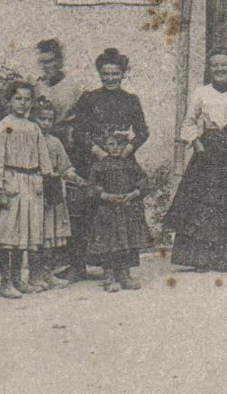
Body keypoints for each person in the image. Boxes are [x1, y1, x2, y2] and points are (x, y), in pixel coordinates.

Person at [64, 49, 149, 279]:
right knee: (87, 212)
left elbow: (142, 132)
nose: (110, 78)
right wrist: (97, 151)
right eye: (105, 73)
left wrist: (126, 151)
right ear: (99, 74)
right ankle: (78, 266)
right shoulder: (89, 98)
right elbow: (79, 131)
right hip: (95, 162)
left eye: (115, 73)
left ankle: (122, 268)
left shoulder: (131, 100)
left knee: (123, 213)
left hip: (122, 164)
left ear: (123, 74)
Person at [167, 49, 227, 274]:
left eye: (224, 65)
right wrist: (197, 142)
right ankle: (201, 258)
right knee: (204, 203)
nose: (219, 69)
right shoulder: (201, 92)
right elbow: (188, 122)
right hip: (209, 150)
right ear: (209, 67)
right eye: (214, 65)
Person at [0, 80, 54, 298]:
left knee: (24, 234)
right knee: (8, 235)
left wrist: (45, 179)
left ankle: (17, 278)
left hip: (31, 183)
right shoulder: (1, 127)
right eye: (18, 99)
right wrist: (0, 186)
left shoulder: (34, 128)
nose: (23, 104)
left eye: (27, 99)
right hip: (11, 181)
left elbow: (44, 157)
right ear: (9, 101)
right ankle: (5, 282)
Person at [86, 125, 153, 292]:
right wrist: (105, 195)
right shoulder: (100, 165)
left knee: (127, 243)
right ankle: (109, 276)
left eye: (119, 144)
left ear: (125, 146)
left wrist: (135, 193)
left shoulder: (130, 165)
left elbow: (144, 181)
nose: (115, 148)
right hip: (108, 211)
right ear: (105, 146)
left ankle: (124, 274)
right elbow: (92, 186)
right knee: (109, 243)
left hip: (127, 209)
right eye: (110, 144)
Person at [36, 99, 89, 290]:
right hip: (33, 191)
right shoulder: (28, 139)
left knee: (49, 234)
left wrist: (75, 177)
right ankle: (34, 274)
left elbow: (64, 166)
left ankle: (47, 272)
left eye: (50, 120)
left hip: (52, 192)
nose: (46, 123)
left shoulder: (54, 142)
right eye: (42, 119)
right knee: (35, 235)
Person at [34, 38, 87, 138]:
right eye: (41, 62)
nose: (44, 67)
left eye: (48, 62)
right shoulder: (38, 87)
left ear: (59, 62)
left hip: (65, 138)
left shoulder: (74, 87)